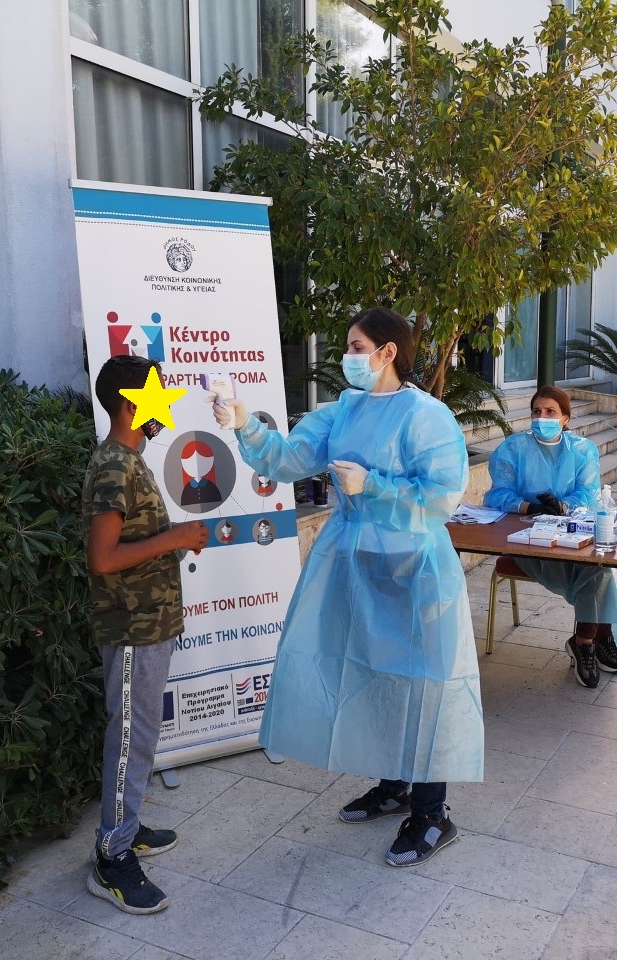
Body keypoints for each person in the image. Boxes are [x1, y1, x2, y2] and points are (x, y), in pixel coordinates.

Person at [211, 307, 483, 868]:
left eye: (357, 347)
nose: (348, 357)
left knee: (421, 683)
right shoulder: (343, 410)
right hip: (355, 561)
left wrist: (374, 485)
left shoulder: (426, 416)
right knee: (370, 672)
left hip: (412, 568)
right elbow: (287, 459)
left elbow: (442, 496)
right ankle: (394, 784)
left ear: (388, 352)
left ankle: (433, 812)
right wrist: (243, 422)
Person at [83, 355, 209, 914]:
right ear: (132, 404)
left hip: (149, 624)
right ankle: (111, 857)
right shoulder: (115, 465)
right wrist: (175, 537)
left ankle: (127, 828)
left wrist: (172, 536)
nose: (166, 404)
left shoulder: (129, 460)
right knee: (131, 736)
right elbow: (103, 558)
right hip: (131, 628)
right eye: (158, 393)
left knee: (142, 733)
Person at [483, 386, 617, 688]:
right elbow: (497, 494)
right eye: (537, 411)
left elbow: (588, 494)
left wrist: (563, 507)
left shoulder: (582, 449)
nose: (542, 417)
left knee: (597, 563)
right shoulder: (513, 448)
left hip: (572, 533)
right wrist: (529, 507)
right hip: (525, 538)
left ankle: (587, 639)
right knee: (598, 570)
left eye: (550, 412)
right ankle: (594, 637)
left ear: (565, 418)